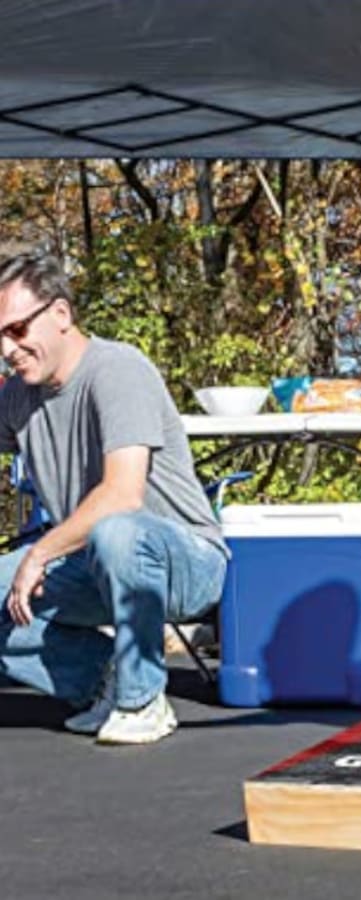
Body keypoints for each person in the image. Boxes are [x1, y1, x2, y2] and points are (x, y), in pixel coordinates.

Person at [0, 252, 228, 745]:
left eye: (16, 330)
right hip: (91, 562)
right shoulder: (19, 395)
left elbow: (123, 495)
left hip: (183, 562)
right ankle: (103, 678)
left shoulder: (118, 370)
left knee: (117, 530)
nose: (6, 348)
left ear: (60, 314)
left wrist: (38, 553)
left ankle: (142, 699)